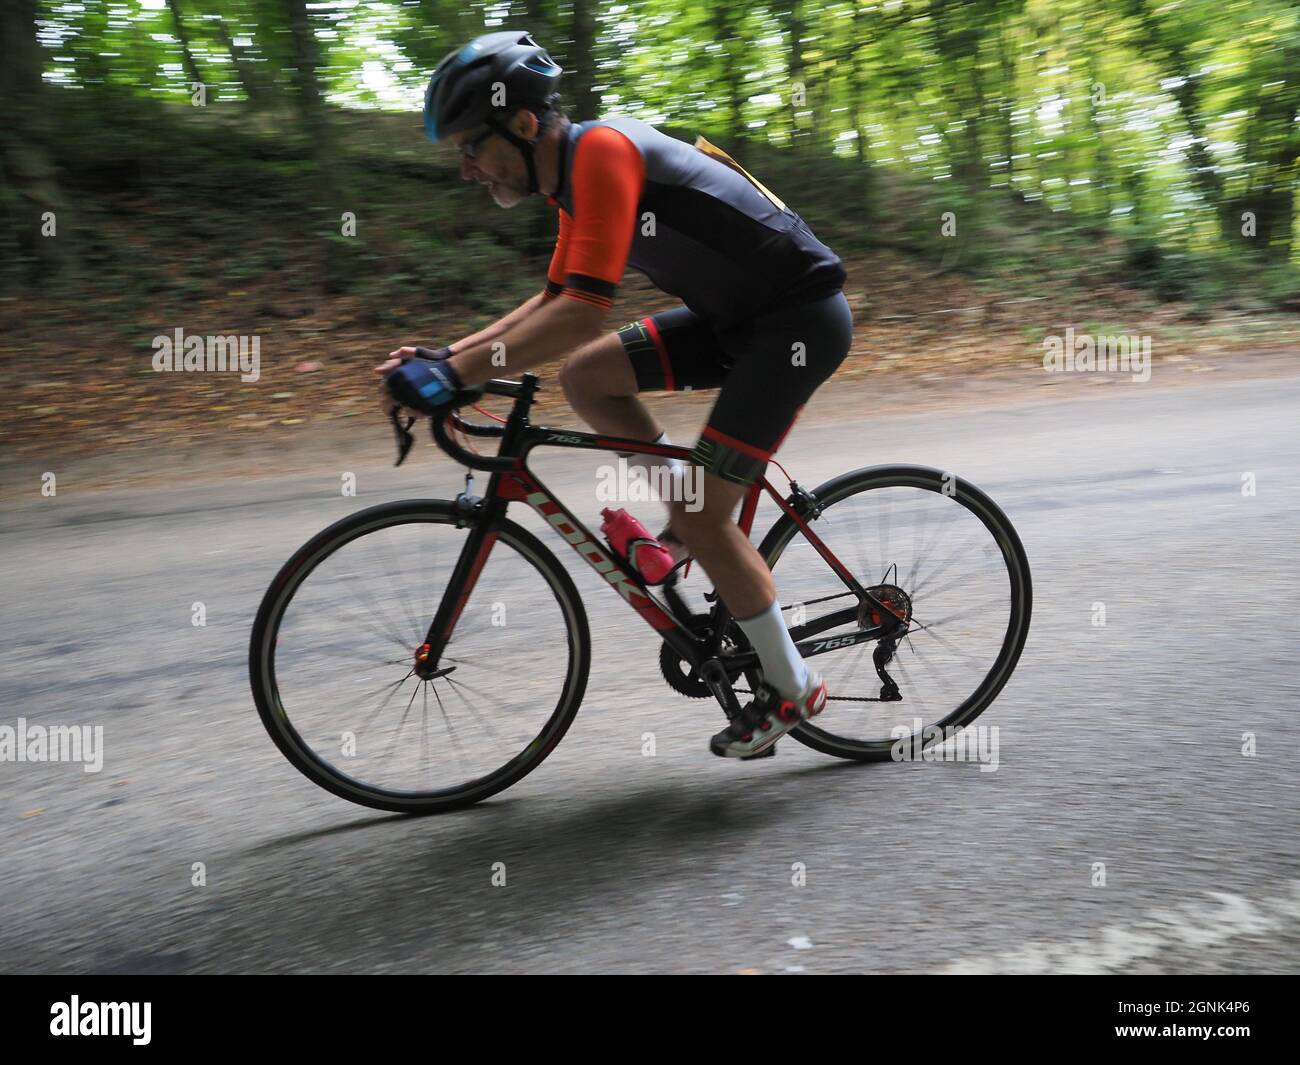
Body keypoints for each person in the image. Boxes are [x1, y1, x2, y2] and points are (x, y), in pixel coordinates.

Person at [378, 31, 853, 758]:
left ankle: (793, 685)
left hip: (796, 323)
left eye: (472, 146)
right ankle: (684, 530)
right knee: (588, 376)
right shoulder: (570, 178)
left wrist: (459, 373)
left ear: (524, 124)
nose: (467, 168)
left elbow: (579, 313)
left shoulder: (601, 152)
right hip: (738, 319)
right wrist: (452, 357)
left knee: (705, 511)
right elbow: (552, 298)